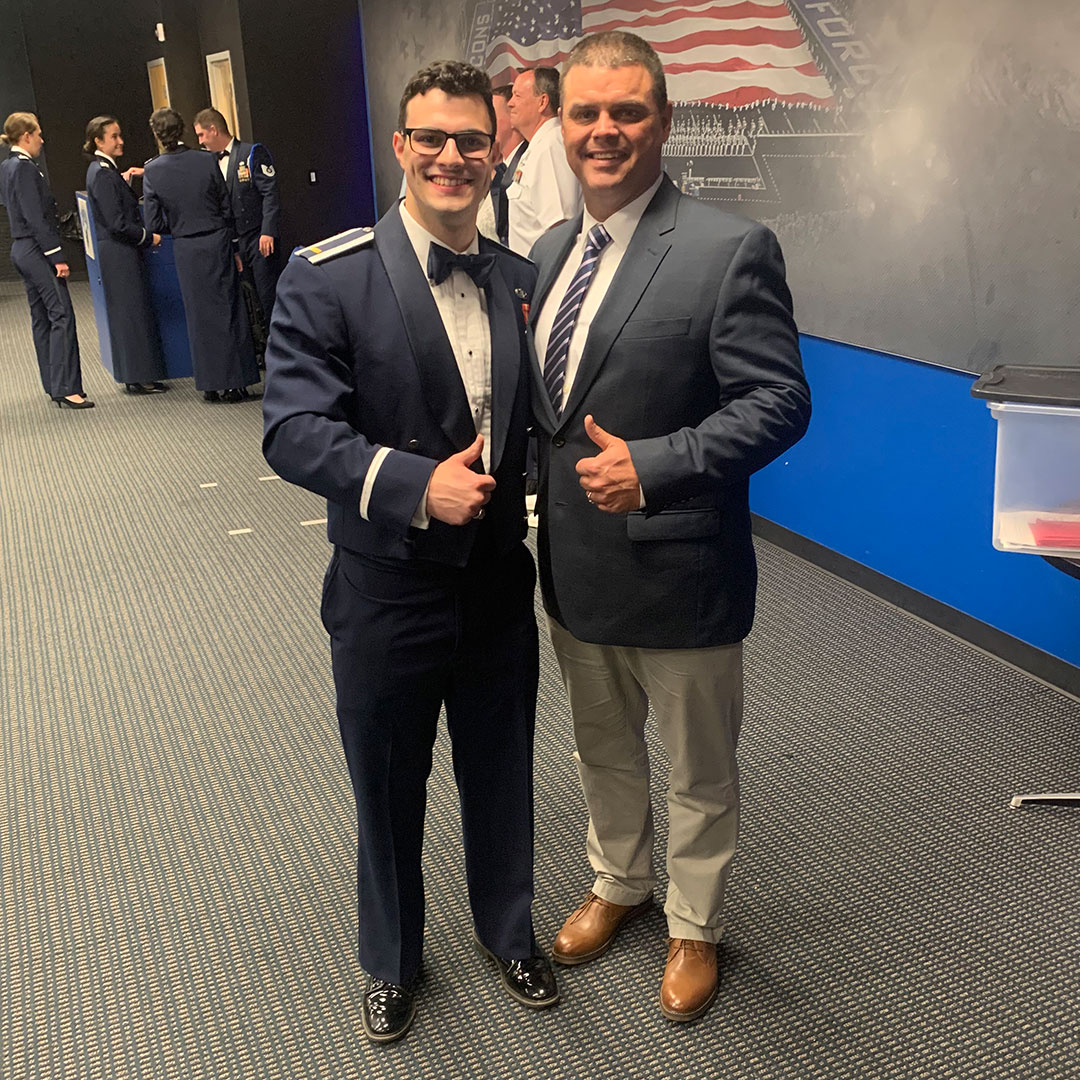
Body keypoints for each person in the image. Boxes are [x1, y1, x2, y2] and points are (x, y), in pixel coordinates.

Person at [262, 59, 557, 1044]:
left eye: (471, 139)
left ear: (492, 149)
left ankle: (508, 928)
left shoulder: (520, 279)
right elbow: (292, 430)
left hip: (496, 586)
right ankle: (391, 958)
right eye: (430, 137)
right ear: (401, 147)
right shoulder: (327, 275)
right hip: (386, 587)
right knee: (387, 781)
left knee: (501, 767)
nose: (451, 156)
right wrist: (406, 482)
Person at [529, 32, 811, 1023]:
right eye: (586, 113)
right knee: (601, 751)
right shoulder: (554, 248)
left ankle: (695, 926)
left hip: (681, 568)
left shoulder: (729, 247)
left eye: (628, 112)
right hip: (572, 568)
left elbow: (778, 403)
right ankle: (619, 883)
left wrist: (655, 466)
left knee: (697, 769)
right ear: (559, 124)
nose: (605, 132)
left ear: (664, 121)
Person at [142, 107, 258, 403]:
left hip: (186, 246)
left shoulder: (153, 170)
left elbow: (154, 223)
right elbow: (225, 205)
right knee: (229, 311)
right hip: (216, 241)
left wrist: (179, 223)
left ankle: (209, 383)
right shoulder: (207, 160)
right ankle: (236, 383)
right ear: (182, 130)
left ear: (157, 135)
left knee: (198, 315)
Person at [0, 112, 91, 409]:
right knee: (61, 314)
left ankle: (54, 384)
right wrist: (57, 256)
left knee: (42, 317)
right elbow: (36, 217)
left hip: (22, 249)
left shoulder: (8, 166)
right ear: (26, 135)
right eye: (38, 133)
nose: (41, 138)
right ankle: (67, 388)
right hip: (36, 249)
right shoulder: (25, 168)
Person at [83, 115, 168, 396]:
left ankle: (137, 374)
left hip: (118, 252)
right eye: (114, 137)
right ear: (99, 140)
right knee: (131, 313)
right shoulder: (102, 173)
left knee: (131, 312)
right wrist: (148, 237)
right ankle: (139, 376)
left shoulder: (103, 171)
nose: (120, 141)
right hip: (120, 253)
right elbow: (117, 223)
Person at [192, 107, 281, 327]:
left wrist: (268, 231)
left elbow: (270, 193)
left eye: (201, 135)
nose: (201, 142)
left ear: (213, 130)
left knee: (268, 296)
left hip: (258, 237)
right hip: (236, 242)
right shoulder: (209, 162)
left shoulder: (251, 153)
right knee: (247, 302)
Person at [505, 67, 581, 256]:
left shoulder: (550, 146)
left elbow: (561, 227)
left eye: (517, 96)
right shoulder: (538, 146)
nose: (510, 103)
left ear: (542, 102)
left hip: (544, 278)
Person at [490, 84, 526, 246]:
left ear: (513, 117)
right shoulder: (497, 171)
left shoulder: (529, 163)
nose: (486, 124)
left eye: (492, 117)